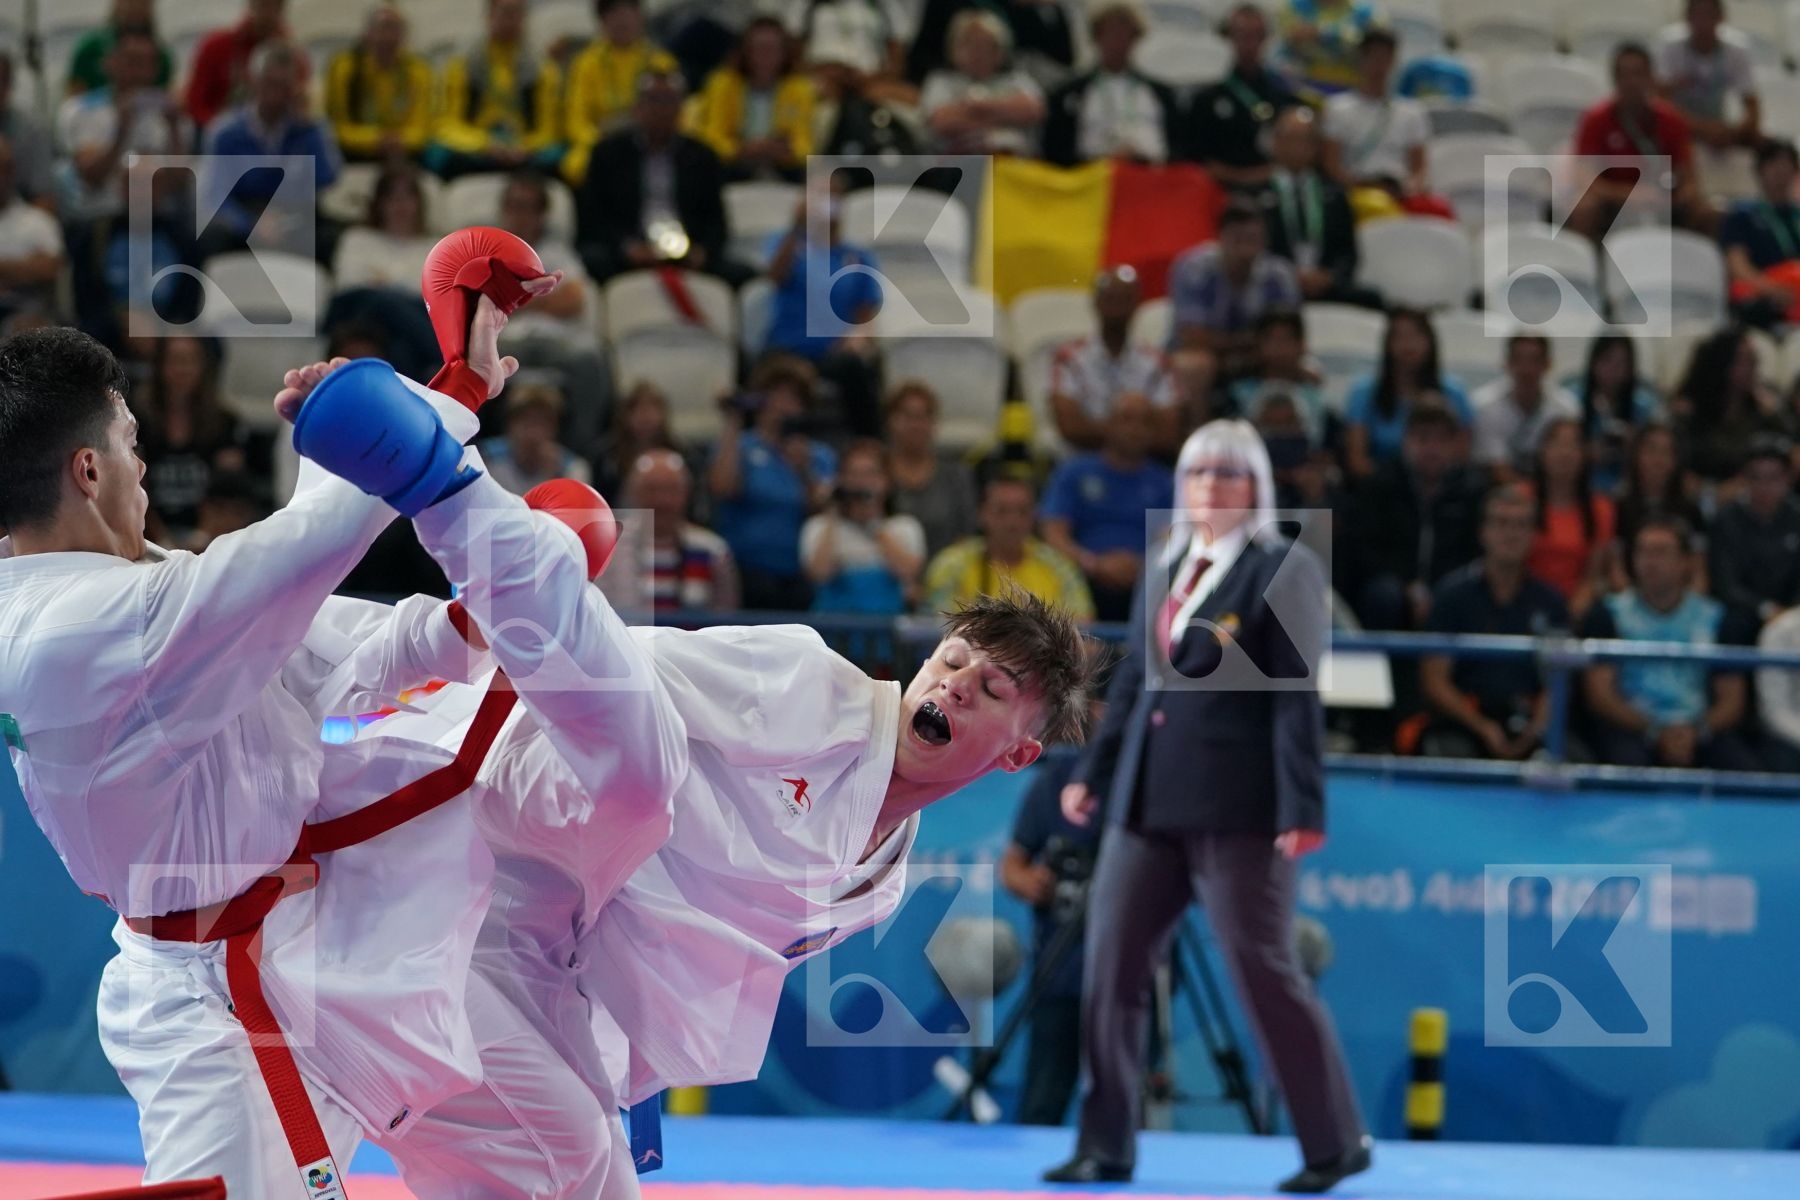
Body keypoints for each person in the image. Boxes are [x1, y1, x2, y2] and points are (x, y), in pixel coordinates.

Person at [0, 279, 558, 1197]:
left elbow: (315, 641)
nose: (144, 468)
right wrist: (444, 391)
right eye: (132, 445)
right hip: (215, 1002)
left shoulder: (133, 592)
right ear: (88, 472)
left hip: (311, 948)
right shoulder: (81, 628)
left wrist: (472, 625)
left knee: (533, 1147)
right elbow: (300, 549)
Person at [388, 584, 1101, 1198]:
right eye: (951, 659)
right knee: (566, 1150)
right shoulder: (804, 684)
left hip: (551, 956)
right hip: (474, 877)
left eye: (994, 686)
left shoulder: (876, 888)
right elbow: (608, 662)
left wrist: (627, 1084)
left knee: (592, 1171)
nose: (957, 682)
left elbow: (677, 962)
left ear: (1019, 755)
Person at [1045, 418, 1370, 1195]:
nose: (1211, 490)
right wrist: (1096, 768)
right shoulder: (1164, 563)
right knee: (1111, 968)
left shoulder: (1281, 567)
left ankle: (1335, 1141)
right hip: (1147, 798)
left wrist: (1303, 804)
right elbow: (1132, 681)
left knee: (1263, 970)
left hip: (1242, 803)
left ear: (1256, 487)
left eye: (1228, 476)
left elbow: (1296, 696)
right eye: (1198, 475)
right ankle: (1107, 1144)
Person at [1580, 516, 1761, 770]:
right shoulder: (1607, 614)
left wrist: (1695, 732)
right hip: (1632, 727)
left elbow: (1732, 699)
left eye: (1661, 552)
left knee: (1743, 768)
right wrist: (1655, 730)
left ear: (1686, 562)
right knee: (1625, 763)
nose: (1650, 562)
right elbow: (1600, 695)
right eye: (1643, 552)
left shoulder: (1718, 619)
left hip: (1698, 727)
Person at [1413, 484, 1570, 760]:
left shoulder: (1552, 602)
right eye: (1501, 523)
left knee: (1571, 766)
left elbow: (1557, 681)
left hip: (1527, 721)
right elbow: (1435, 681)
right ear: (1482, 531)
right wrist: (1483, 727)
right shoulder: (1451, 595)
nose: (1511, 533)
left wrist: (1534, 731)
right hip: (1464, 720)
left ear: (1534, 535)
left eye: (1521, 525)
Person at [1001, 746, 1097, 1126]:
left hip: (1134, 978)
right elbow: (1013, 865)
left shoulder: (1157, 774)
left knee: (1132, 1103)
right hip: (1060, 972)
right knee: (1043, 1101)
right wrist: (1030, 882)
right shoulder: (1059, 777)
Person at [574, 69, 737, 284]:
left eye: (669, 101)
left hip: (686, 250)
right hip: (629, 249)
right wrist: (626, 247)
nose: (662, 110)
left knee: (740, 274)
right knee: (592, 261)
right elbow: (593, 216)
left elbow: (716, 219)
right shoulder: (608, 153)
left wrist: (703, 250)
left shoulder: (703, 156)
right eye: (654, 100)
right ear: (638, 107)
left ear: (681, 109)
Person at [493, 168, 612, 456]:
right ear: (505, 210)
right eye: (515, 206)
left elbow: (573, 300)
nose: (521, 214)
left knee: (590, 358)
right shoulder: (488, 251)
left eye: (529, 207)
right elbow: (480, 302)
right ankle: (489, 447)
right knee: (469, 361)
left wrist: (515, 298)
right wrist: (542, 294)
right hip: (504, 342)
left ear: (542, 214)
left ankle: (583, 449)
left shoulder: (558, 251)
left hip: (556, 341)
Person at [1338, 403, 1484, 631]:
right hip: (1393, 589)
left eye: (1441, 440)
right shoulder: (1379, 486)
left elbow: (1472, 551)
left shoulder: (1472, 491)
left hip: (1450, 588)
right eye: (1423, 438)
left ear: (1455, 445)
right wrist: (1409, 587)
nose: (1432, 448)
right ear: (1406, 441)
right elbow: (1363, 550)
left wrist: (1441, 590)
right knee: (1383, 594)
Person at [707, 356, 838, 610]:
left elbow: (824, 509)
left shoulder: (818, 456)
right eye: (775, 396)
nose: (782, 407)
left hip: (798, 574)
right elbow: (722, 487)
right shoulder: (740, 446)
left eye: (792, 398)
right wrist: (732, 421)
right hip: (746, 571)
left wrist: (803, 470)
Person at [198, 40, 342, 263]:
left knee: (329, 240)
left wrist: (308, 129)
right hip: (247, 212)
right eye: (270, 83)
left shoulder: (309, 129)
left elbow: (327, 178)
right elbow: (216, 196)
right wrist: (250, 224)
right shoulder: (227, 132)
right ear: (255, 82)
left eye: (283, 86)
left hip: (295, 216)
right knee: (212, 239)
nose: (276, 93)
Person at [762, 174, 884, 436]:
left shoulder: (858, 256)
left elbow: (866, 314)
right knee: (766, 369)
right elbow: (775, 276)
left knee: (858, 369)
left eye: (833, 197)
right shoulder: (787, 244)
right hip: (788, 347)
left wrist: (857, 339)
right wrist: (797, 225)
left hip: (833, 352)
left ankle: (868, 443)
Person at [1040, 392, 1174, 622]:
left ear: (1153, 432)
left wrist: (1142, 566)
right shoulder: (1074, 472)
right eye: (1127, 419)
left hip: (1145, 581)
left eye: (1144, 422)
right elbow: (1053, 533)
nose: (1135, 429)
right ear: (1108, 424)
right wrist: (1094, 564)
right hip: (1081, 577)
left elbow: (1174, 540)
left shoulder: (1164, 482)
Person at [1168, 202, 1302, 415]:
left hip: (1259, 357)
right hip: (1209, 357)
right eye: (1237, 237)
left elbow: (1290, 334)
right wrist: (1252, 342)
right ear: (1220, 237)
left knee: (1297, 362)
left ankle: (1282, 437)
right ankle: (1196, 439)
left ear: (1264, 239)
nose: (1245, 246)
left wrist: (1260, 348)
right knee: (1196, 365)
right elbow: (1193, 338)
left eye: (1252, 238)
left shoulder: (1279, 275)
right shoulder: (1193, 267)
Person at [1569, 43, 1713, 240]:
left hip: (1663, 199)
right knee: (1584, 208)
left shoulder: (1672, 120)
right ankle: (1587, 266)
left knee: (1707, 213)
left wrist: (1680, 196)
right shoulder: (1596, 118)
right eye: (1624, 75)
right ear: (1615, 79)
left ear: (1651, 78)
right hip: (1613, 200)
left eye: (1638, 74)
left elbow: (1688, 176)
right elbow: (1585, 178)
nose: (1631, 82)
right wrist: (1630, 194)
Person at [1048, 266, 1182, 458]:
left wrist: (1111, 434)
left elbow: (1168, 433)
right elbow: (1070, 428)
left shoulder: (1158, 362)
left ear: (1137, 305)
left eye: (1125, 299)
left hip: (1143, 464)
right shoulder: (1069, 358)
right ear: (1096, 303)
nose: (1117, 308)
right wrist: (1132, 434)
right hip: (1084, 459)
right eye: (1110, 299)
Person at [923, 474, 1095, 620]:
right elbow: (938, 630)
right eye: (1001, 511)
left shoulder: (1060, 566)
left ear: (1034, 516)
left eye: (1022, 511)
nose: (1012, 522)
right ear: (981, 514)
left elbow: (1084, 630)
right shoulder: (951, 565)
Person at [428, 0, 568, 179]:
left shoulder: (543, 70)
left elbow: (549, 130)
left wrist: (525, 147)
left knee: (559, 158)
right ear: (488, 17)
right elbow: (447, 124)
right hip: (478, 145)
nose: (510, 21)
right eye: (504, 13)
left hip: (523, 147)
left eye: (516, 14)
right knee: (439, 154)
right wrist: (485, 145)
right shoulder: (462, 65)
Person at [132, 335, 249, 548]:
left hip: (209, 537)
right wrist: (159, 538)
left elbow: (227, 490)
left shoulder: (225, 423)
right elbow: (132, 485)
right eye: (175, 360)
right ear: (160, 366)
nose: (182, 369)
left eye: (190, 360)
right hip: (147, 533)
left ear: (204, 366)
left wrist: (204, 534)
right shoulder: (136, 421)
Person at [600, 447, 741, 614]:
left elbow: (725, 619)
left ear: (687, 493)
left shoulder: (712, 550)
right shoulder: (607, 546)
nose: (662, 500)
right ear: (634, 493)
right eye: (651, 490)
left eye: (671, 490)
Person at [1259, 107, 1372, 308]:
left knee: (1372, 300)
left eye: (1305, 140)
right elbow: (1253, 250)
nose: (1297, 147)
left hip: (1326, 285)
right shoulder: (1256, 196)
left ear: (1316, 147)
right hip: (1274, 288)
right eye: (1290, 139)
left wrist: (1329, 276)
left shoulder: (1335, 194)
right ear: (1275, 143)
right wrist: (1287, 275)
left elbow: (1348, 252)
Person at [1342, 307, 1473, 479]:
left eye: (1416, 335)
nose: (1408, 344)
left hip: (1442, 489)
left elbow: (1461, 458)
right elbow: (1357, 461)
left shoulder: (1454, 392)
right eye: (1399, 336)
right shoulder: (1363, 392)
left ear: (1430, 342)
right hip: (1380, 487)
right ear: (1387, 344)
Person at [1041, 1, 1175, 167]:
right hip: (1092, 178)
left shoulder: (1161, 94)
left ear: (1136, 38)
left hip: (1149, 178)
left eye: (1125, 33)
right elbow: (1054, 152)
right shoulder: (1068, 94)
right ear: (1096, 36)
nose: (1118, 41)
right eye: (1111, 32)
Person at [802, 438, 927, 614]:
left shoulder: (904, 526)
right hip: (835, 626)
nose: (862, 482)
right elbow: (819, 573)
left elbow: (908, 571)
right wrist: (833, 511)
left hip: (885, 627)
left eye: (870, 474)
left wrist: (872, 524)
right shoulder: (819, 526)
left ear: (886, 481)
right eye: (853, 474)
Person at [684, 15, 817, 180]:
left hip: (782, 167)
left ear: (784, 53)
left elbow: (805, 143)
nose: (765, 56)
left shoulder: (799, 89)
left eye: (772, 49)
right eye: (760, 48)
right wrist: (741, 150)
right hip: (734, 165)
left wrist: (784, 152)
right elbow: (712, 137)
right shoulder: (723, 84)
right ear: (746, 51)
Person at [562, 0, 680, 186]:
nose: (622, 22)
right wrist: (598, 143)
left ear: (640, 18)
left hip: (648, 140)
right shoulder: (586, 64)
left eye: (628, 15)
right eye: (614, 16)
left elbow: (673, 111)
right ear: (602, 21)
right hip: (602, 138)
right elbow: (577, 120)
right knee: (577, 165)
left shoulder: (660, 61)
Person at [1190, 4, 1305, 193]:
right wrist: (1236, 176)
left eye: (1256, 36)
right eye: (1242, 35)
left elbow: (1294, 157)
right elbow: (1199, 161)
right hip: (1221, 192)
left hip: (1274, 191)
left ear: (1266, 38)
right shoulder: (1207, 97)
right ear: (1228, 37)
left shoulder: (1283, 96)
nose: (1249, 44)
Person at [1657, 0, 1760, 199]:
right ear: (1686, 18)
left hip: (1720, 128)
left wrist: (1733, 132)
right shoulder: (1670, 46)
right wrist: (1701, 129)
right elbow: (1660, 102)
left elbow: (1752, 107)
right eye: (1697, 15)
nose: (1703, 23)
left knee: (1770, 145)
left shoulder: (1736, 50)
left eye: (1709, 15)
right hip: (1680, 126)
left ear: (1721, 18)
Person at [1321, 29, 1431, 210]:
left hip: (1400, 192)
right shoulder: (1337, 108)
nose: (1379, 66)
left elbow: (1419, 169)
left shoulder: (1412, 112)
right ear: (1361, 59)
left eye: (1385, 58)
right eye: (1374, 57)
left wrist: (1409, 189)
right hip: (1357, 192)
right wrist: (1361, 187)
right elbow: (1331, 165)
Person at [919, 11, 1048, 156]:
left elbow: (1032, 111)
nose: (979, 53)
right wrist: (1006, 116)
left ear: (1001, 51)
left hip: (1014, 164)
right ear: (954, 50)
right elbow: (943, 122)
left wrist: (976, 107)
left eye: (987, 45)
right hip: (960, 164)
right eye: (970, 45)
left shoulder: (1016, 79)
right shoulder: (940, 81)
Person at [1673, 326, 1788, 487]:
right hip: (1703, 496)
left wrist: (1773, 414)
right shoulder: (1690, 411)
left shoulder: (1763, 408)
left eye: (1753, 360)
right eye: (1743, 360)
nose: (1752, 367)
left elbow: (1788, 448)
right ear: (1722, 363)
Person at [1526, 416, 1616, 619]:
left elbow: (1594, 575)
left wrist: (1571, 612)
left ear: (1585, 455)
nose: (1564, 453)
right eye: (1556, 444)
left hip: (1575, 606)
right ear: (1542, 452)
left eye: (1573, 445)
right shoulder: (1521, 499)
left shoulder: (1601, 509)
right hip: (1525, 602)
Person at [1708, 434, 1800, 630]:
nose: (1764, 487)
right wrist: (1764, 608)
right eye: (1756, 477)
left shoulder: (1797, 518)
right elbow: (1725, 583)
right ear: (1744, 479)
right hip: (1743, 615)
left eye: (1773, 478)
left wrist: (1788, 613)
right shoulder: (1726, 520)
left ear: (1788, 479)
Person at [324, 5, 434, 164]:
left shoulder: (418, 71)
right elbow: (338, 128)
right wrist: (376, 140)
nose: (388, 38)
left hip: (404, 149)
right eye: (382, 29)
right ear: (367, 34)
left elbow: (422, 129)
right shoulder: (346, 68)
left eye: (394, 30)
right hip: (356, 149)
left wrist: (399, 141)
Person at [885, 380, 980, 560]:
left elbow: (966, 536)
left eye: (923, 417)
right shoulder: (878, 471)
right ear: (891, 421)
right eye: (908, 416)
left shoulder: (956, 476)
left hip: (945, 576)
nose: (916, 425)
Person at [1611, 422, 1709, 593]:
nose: (1658, 459)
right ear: (1636, 456)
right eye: (1651, 451)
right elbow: (1616, 570)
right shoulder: (1619, 506)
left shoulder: (1691, 510)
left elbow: (1699, 572)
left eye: (1666, 452)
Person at [185, 0, 308, 132]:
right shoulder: (216, 47)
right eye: (264, 4)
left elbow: (299, 108)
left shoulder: (294, 59)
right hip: (220, 136)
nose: (268, 13)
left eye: (275, 5)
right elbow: (195, 102)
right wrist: (220, 130)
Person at [1470, 334, 1580, 481]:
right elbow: (1496, 467)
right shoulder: (1485, 406)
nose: (1526, 369)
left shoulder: (1566, 409)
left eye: (1535, 360)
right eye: (1518, 360)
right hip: (1499, 490)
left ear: (1548, 365)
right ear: (1506, 363)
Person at [1721, 138, 1800, 329]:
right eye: (1774, 163)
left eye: (1787, 163)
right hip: (1766, 297)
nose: (1781, 170)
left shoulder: (1796, 215)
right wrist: (1771, 290)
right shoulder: (1741, 216)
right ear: (1760, 170)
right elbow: (1738, 267)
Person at [1567, 335, 1660, 494]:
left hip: (1627, 485)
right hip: (1582, 484)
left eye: (1622, 363)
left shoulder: (1644, 406)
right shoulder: (1572, 402)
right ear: (1594, 362)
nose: (1613, 369)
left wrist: (1635, 447)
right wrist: (1586, 453)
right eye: (1607, 360)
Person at [483, 380, 594, 495]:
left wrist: (555, 479)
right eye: (526, 422)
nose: (533, 433)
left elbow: (573, 511)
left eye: (542, 423)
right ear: (509, 424)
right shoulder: (486, 458)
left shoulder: (573, 469)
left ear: (556, 428)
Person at [0, 136, 64, 323]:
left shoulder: (38, 221)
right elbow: (33, 269)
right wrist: (22, 268)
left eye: (6, 167)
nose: (1, 175)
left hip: (23, 314)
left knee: (29, 327)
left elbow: (48, 269)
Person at [591, 378, 686, 499]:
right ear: (625, 415)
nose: (645, 417)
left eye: (652, 409)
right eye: (637, 410)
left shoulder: (680, 454)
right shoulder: (606, 458)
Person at [1276, 0, 1384, 97]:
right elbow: (1284, 44)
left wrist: (1321, 33)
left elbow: (1376, 50)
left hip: (1353, 93)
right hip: (1302, 89)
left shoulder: (1366, 12)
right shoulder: (1294, 7)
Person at [67, 0, 174, 96]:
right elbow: (73, 99)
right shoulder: (91, 50)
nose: (135, 5)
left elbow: (164, 99)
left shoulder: (161, 56)